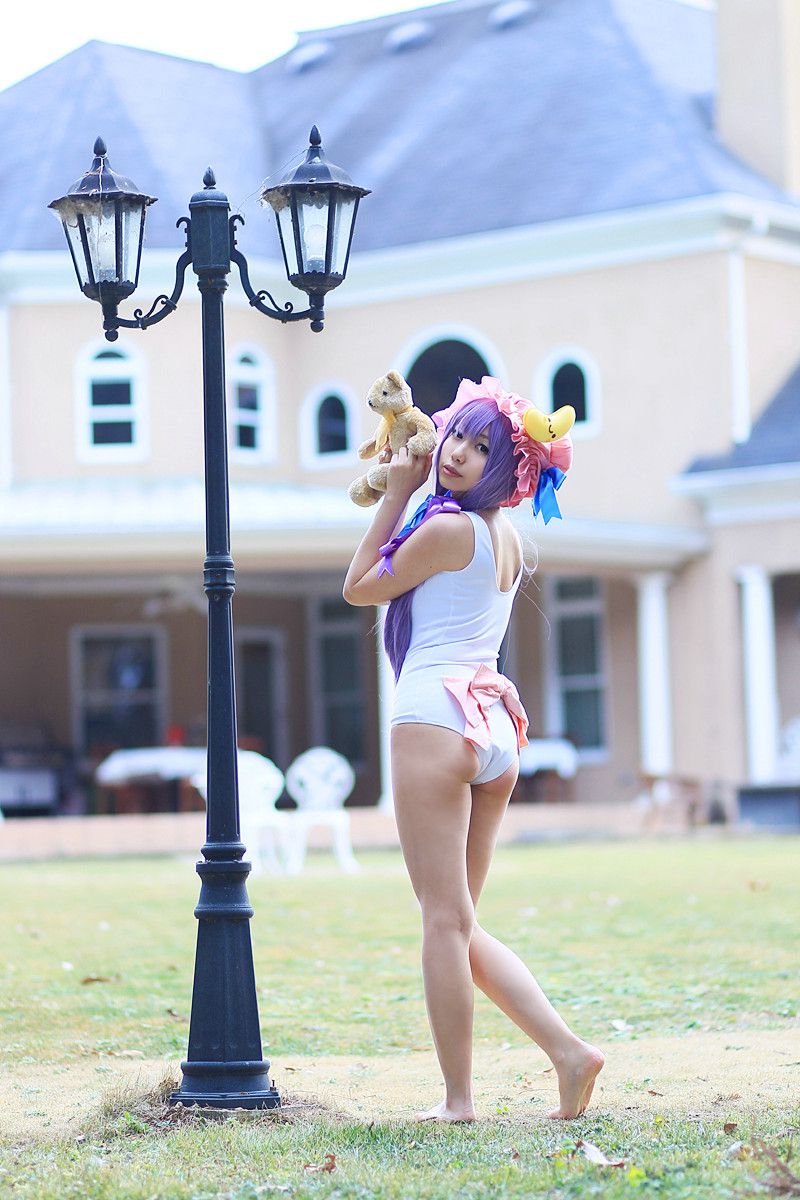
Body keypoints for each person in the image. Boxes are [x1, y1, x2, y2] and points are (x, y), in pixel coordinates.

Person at [343, 376, 604, 1122]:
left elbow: (358, 587)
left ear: (507, 467)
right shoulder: (505, 537)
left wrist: (397, 492)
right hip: (491, 727)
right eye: (456, 434)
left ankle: (459, 1100)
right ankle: (569, 1053)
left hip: (436, 719)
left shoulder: (449, 529)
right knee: (458, 923)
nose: (456, 452)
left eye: (480, 446)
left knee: (442, 922)